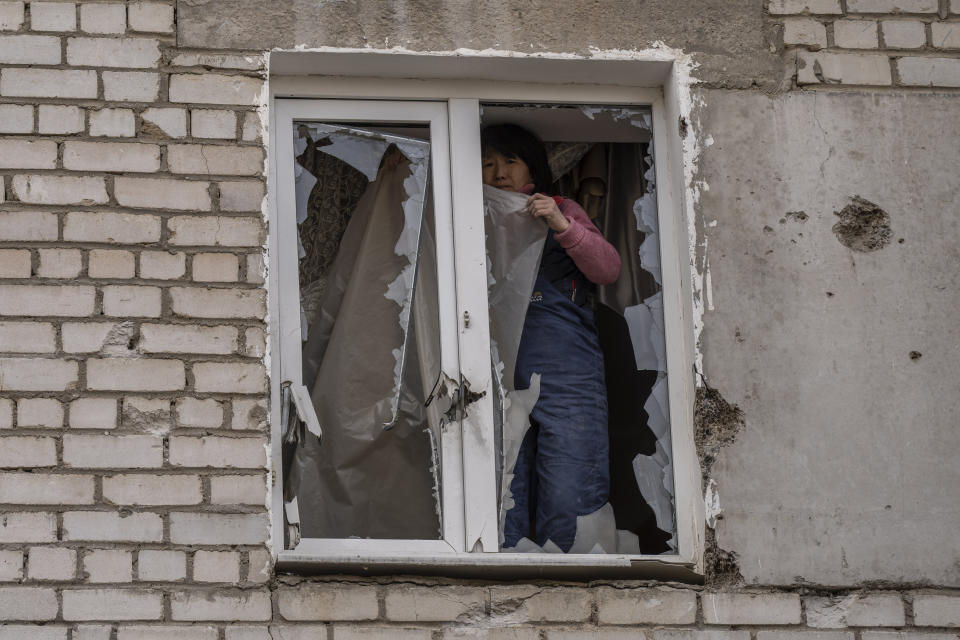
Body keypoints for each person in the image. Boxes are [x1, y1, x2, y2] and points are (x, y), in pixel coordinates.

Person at [481, 124, 622, 551]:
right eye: (488, 162)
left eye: (510, 161)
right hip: (491, 374)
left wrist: (562, 224)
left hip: (567, 373)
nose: (499, 172)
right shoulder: (467, 219)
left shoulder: (562, 209)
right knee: (500, 490)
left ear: (532, 168)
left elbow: (608, 270)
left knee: (570, 484)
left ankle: (573, 583)